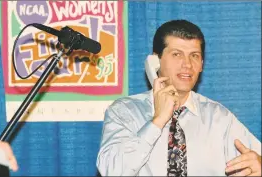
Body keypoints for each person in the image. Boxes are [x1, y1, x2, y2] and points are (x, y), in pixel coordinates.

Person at [96, 20, 261, 176]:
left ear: (202, 63)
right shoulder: (125, 111)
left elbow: (256, 159)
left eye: (194, 55)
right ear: (155, 61)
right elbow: (112, 171)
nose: (187, 64)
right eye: (177, 54)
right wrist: (158, 120)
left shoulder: (219, 118)